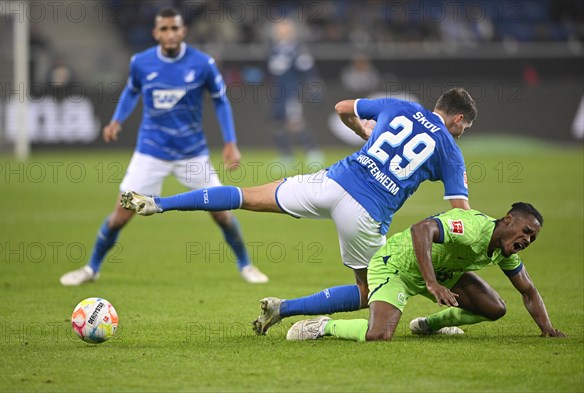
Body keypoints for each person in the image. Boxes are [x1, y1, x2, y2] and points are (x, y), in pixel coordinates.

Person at [120, 87, 477, 334]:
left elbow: (342, 107)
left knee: (245, 196)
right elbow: (461, 213)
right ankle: (284, 309)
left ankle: (158, 202)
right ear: (458, 120)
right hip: (366, 214)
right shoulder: (450, 149)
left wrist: (364, 134)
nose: (460, 135)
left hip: (331, 183)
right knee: (368, 292)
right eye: (463, 130)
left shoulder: (401, 107)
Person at [59, 7, 269, 286]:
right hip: (151, 152)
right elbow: (131, 91)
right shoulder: (141, 63)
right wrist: (117, 120)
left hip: (192, 154)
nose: (170, 34)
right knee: (121, 214)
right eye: (164, 29)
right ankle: (91, 268)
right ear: (156, 33)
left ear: (183, 31)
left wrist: (231, 142)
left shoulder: (202, 64)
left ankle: (246, 265)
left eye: (175, 29)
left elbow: (220, 101)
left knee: (221, 212)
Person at [286, 203, 565, 341]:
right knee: (378, 335)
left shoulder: (503, 249)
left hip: (442, 273)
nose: (527, 240)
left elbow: (528, 291)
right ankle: (322, 326)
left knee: (495, 308)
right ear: (508, 220)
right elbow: (421, 229)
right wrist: (431, 283)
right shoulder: (471, 227)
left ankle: (428, 325)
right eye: (526, 232)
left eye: (532, 239)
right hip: (397, 265)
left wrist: (547, 329)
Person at [266, 18, 324, 168]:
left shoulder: (297, 50)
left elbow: (308, 71)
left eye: (284, 29)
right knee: (277, 123)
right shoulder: (273, 49)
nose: (280, 31)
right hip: (277, 93)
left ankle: (313, 151)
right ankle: (286, 156)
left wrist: (313, 85)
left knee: (295, 123)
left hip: (292, 93)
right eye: (278, 29)